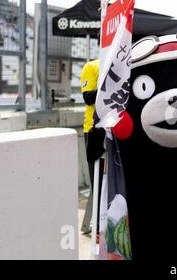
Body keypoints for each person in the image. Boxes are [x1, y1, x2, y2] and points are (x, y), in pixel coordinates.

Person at [80, 58, 103, 238]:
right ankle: (97, 229)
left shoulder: (120, 64)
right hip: (94, 130)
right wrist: (109, 88)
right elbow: (88, 98)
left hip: (115, 129)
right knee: (98, 183)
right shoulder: (92, 66)